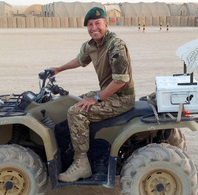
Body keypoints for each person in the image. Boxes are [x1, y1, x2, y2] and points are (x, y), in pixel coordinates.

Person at [50, 7, 135, 182]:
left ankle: (81, 163)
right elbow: (80, 59)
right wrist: (59, 68)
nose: (94, 27)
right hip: (110, 94)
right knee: (74, 100)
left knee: (76, 111)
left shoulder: (115, 45)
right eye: (90, 24)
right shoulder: (92, 45)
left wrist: (97, 98)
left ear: (106, 23)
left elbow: (121, 81)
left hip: (121, 97)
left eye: (98, 23)